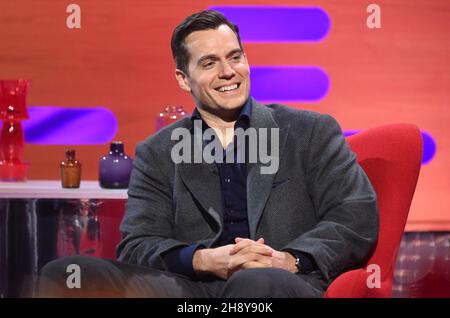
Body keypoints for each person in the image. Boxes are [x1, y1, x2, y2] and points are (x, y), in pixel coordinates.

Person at [37, 10, 378, 298]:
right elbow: (138, 244)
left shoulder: (309, 131)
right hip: (191, 288)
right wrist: (201, 260)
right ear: (184, 79)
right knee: (66, 273)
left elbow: (355, 215)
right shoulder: (159, 151)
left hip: (282, 280)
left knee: (252, 283)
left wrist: (289, 259)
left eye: (235, 57)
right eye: (210, 63)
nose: (228, 72)